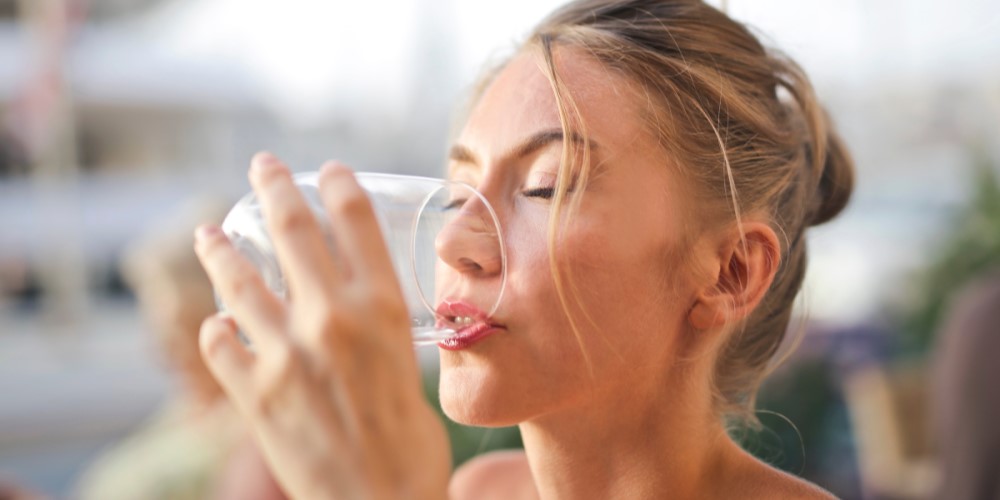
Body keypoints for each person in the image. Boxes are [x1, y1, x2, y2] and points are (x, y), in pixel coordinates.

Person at [193, 0, 854, 498]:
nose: (453, 242)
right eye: (457, 194)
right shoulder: (479, 489)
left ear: (730, 273)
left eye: (545, 187)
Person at [75, 198, 285, 500]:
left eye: (176, 335)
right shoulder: (188, 407)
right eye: (155, 330)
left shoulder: (262, 433)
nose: (159, 353)